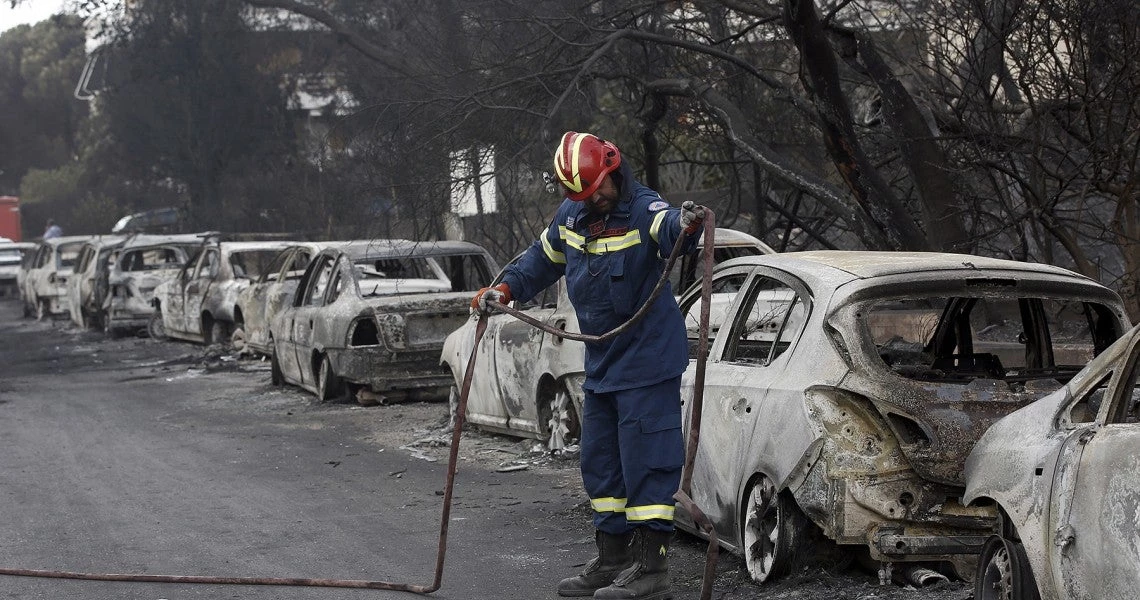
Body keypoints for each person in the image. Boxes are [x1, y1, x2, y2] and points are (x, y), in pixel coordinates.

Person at [472, 131, 703, 599]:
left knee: (647, 463)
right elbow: (540, 259)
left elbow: (669, 228)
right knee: (601, 464)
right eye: (582, 195)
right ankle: (612, 560)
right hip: (603, 363)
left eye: (598, 189)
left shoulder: (643, 209)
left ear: (613, 169)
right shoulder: (572, 217)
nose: (594, 200)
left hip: (648, 361)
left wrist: (686, 224)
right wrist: (506, 289)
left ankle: (652, 571)